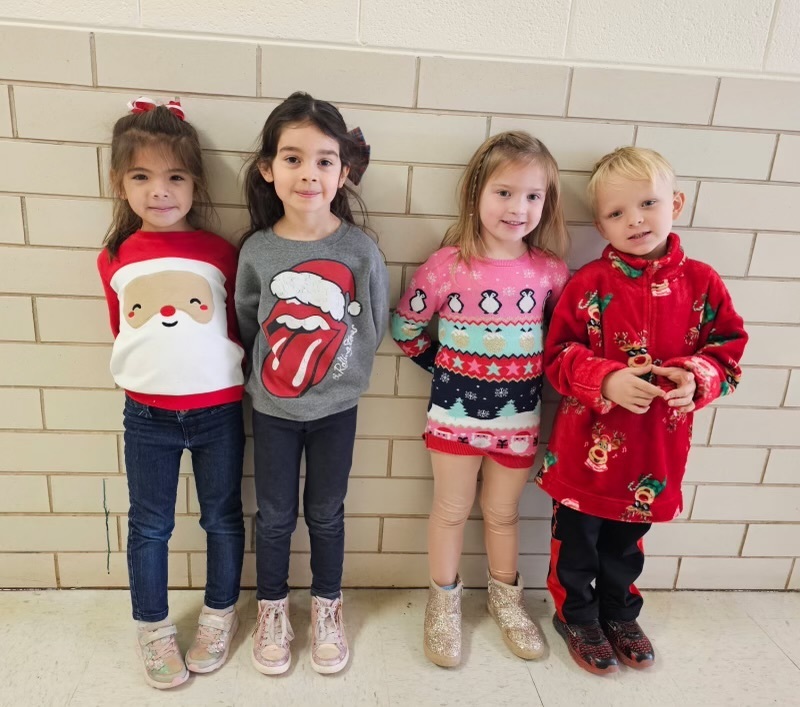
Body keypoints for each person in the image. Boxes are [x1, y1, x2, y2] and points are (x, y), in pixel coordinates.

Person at [537, 146, 748, 675]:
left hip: (655, 453)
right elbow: (557, 356)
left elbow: (728, 350)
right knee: (577, 543)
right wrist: (604, 376)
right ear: (600, 223)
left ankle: (619, 613)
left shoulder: (702, 284)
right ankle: (577, 617)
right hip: (587, 453)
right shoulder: (588, 285)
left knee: (627, 546)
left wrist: (696, 378)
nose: (635, 220)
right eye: (616, 213)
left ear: (675, 202)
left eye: (648, 203)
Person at [392, 131, 570, 667]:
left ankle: (505, 601)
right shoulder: (448, 265)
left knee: (502, 512)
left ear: (547, 202)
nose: (518, 208)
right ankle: (443, 603)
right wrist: (446, 369)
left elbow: (565, 341)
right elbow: (406, 327)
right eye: (504, 192)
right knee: (450, 509)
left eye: (533, 196)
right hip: (453, 414)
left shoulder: (550, 272)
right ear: (476, 194)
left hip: (520, 419)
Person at [235, 92, 389, 675]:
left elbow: (370, 324)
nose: (309, 174)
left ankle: (327, 606)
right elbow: (251, 323)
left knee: (326, 511)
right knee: (274, 515)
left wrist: (340, 374)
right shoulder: (258, 250)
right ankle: (273, 607)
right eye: (293, 158)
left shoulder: (359, 250)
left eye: (325, 160)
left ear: (344, 172)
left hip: (337, 408)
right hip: (273, 408)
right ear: (267, 169)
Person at [97, 97, 245, 689]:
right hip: (148, 416)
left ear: (195, 183)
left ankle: (218, 614)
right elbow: (122, 329)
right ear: (120, 183)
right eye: (142, 177)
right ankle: (153, 628)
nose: (160, 191)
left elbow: (235, 325)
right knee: (150, 524)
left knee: (222, 517)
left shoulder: (220, 252)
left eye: (175, 177)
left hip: (219, 412)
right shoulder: (115, 257)